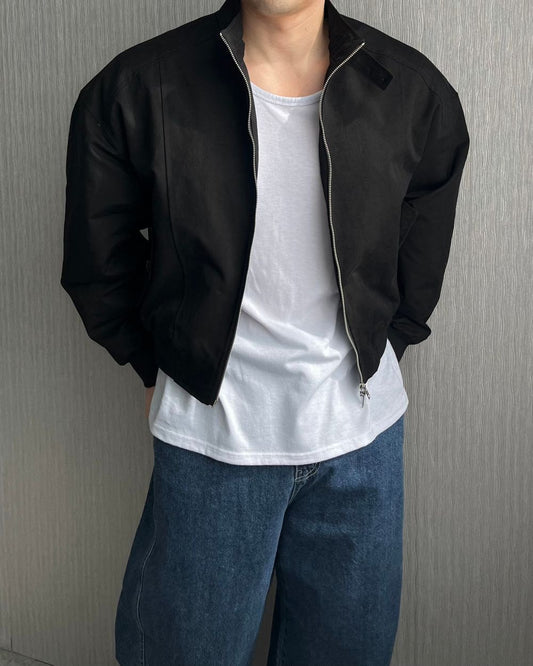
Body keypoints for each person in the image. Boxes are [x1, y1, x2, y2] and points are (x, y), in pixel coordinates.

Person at [60, 0, 470, 663]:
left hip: (362, 444)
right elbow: (97, 260)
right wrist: (151, 363)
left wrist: (381, 349)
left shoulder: (412, 92)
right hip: (212, 440)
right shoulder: (137, 88)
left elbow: (417, 258)